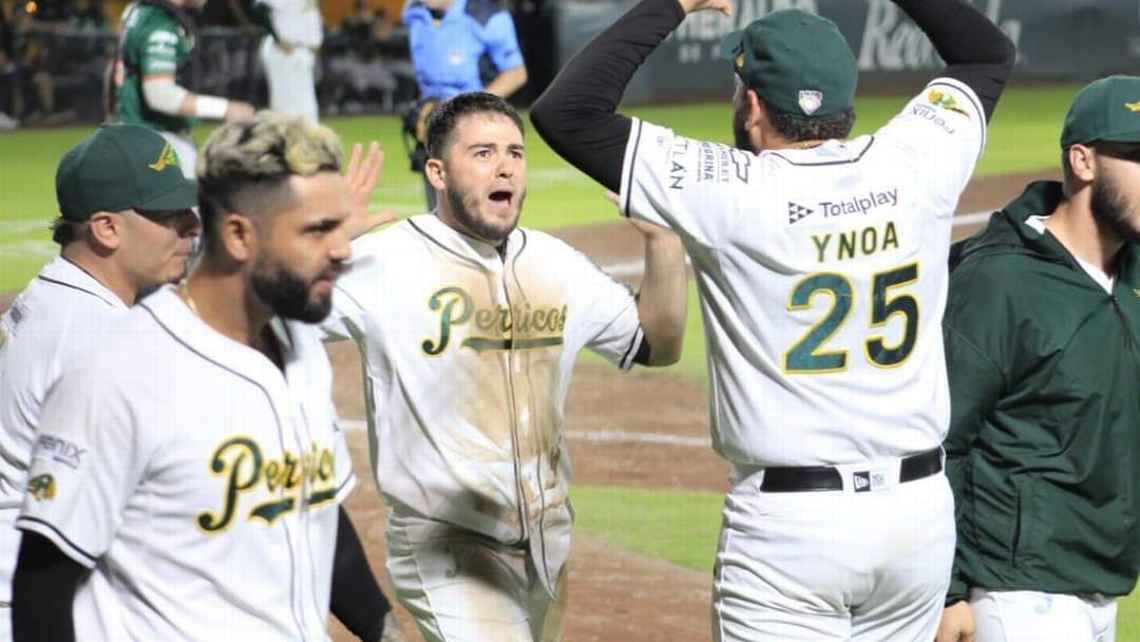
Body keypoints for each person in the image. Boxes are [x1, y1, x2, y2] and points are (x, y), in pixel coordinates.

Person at [531, 0, 1015, 639]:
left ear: (753, 106)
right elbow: (986, 53)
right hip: (917, 519)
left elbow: (566, 112)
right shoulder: (915, 162)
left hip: (791, 532)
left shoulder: (727, 189)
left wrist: (672, 5)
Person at [10, 112, 404, 642]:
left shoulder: (298, 344)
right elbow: (43, 591)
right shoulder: (117, 369)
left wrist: (385, 631)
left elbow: (319, 513)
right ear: (239, 235)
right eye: (317, 230)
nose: (344, 250)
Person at [321, 91, 688, 642]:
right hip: (446, 544)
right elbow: (253, 318)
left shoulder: (555, 263)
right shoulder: (385, 261)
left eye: (515, 153)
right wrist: (316, 246)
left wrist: (664, 242)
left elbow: (657, 343)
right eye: (483, 153)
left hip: (546, 544)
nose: (505, 167)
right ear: (438, 173)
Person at [935, 76, 1140, 642]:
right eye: (1137, 156)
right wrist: (948, 591)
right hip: (1019, 590)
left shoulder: (1130, 277)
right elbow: (940, 438)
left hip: (1102, 581)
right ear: (1083, 161)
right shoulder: (999, 281)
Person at [0, 123, 200, 642]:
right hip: (50, 609)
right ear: (107, 229)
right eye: (169, 216)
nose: (192, 226)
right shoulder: (99, 336)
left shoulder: (60, 297)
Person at [109, 0, 256, 178]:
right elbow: (161, 95)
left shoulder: (139, 10)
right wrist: (226, 109)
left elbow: (115, 71)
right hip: (157, 141)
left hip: (135, 135)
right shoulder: (160, 23)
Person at [402, 0, 527, 209]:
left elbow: (516, 73)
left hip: (476, 127)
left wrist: (466, 107)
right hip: (432, 122)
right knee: (438, 208)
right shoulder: (413, 11)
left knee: (477, 206)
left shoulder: (485, 16)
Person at [256, 0, 323, 122]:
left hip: (302, 51)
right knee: (285, 107)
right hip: (284, 51)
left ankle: (303, 133)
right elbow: (259, 7)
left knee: (306, 105)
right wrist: (277, 39)